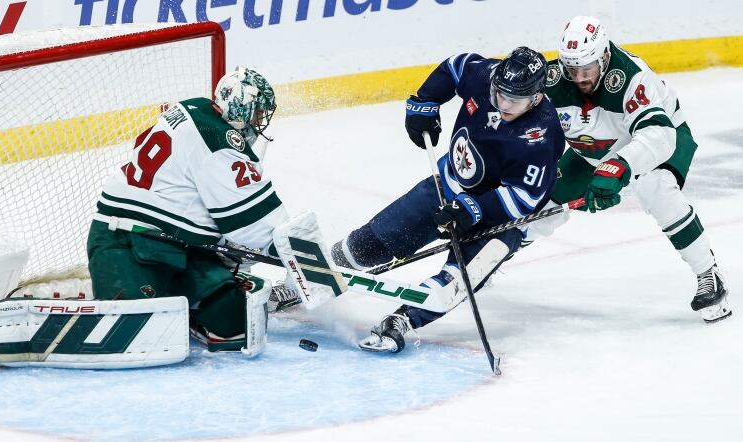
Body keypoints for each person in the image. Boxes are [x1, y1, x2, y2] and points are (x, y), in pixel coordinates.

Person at [330, 47, 565, 353]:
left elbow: (523, 198)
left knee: (456, 281)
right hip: (445, 188)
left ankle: (401, 321)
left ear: (535, 98)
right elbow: (455, 67)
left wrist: (474, 209)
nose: (504, 104)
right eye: (500, 94)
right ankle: (314, 275)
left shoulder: (542, 135)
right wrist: (425, 101)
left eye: (515, 100)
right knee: (367, 246)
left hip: (499, 222)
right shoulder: (486, 74)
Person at [531, 16, 730, 323]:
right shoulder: (555, 78)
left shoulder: (632, 76)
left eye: (587, 69)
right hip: (597, 148)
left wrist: (619, 167)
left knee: (656, 187)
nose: (580, 77)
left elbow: (658, 134)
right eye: (573, 70)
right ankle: (491, 258)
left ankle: (709, 275)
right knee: (541, 199)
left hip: (662, 137)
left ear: (605, 57)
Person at [87, 67, 294, 352]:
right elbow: (254, 225)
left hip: (179, 246)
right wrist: (292, 249)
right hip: (126, 239)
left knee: (235, 322)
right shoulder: (218, 140)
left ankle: (184, 304)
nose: (260, 122)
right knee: (137, 332)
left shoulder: (196, 107)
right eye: (257, 113)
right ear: (241, 106)